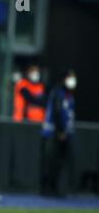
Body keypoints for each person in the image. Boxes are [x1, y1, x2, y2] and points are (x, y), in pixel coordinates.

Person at [41, 69, 77, 197]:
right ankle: (47, 189)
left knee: (60, 163)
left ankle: (56, 188)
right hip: (54, 133)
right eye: (70, 78)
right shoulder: (58, 93)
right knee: (51, 162)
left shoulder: (69, 95)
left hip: (65, 133)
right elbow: (57, 112)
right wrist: (61, 131)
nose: (73, 80)